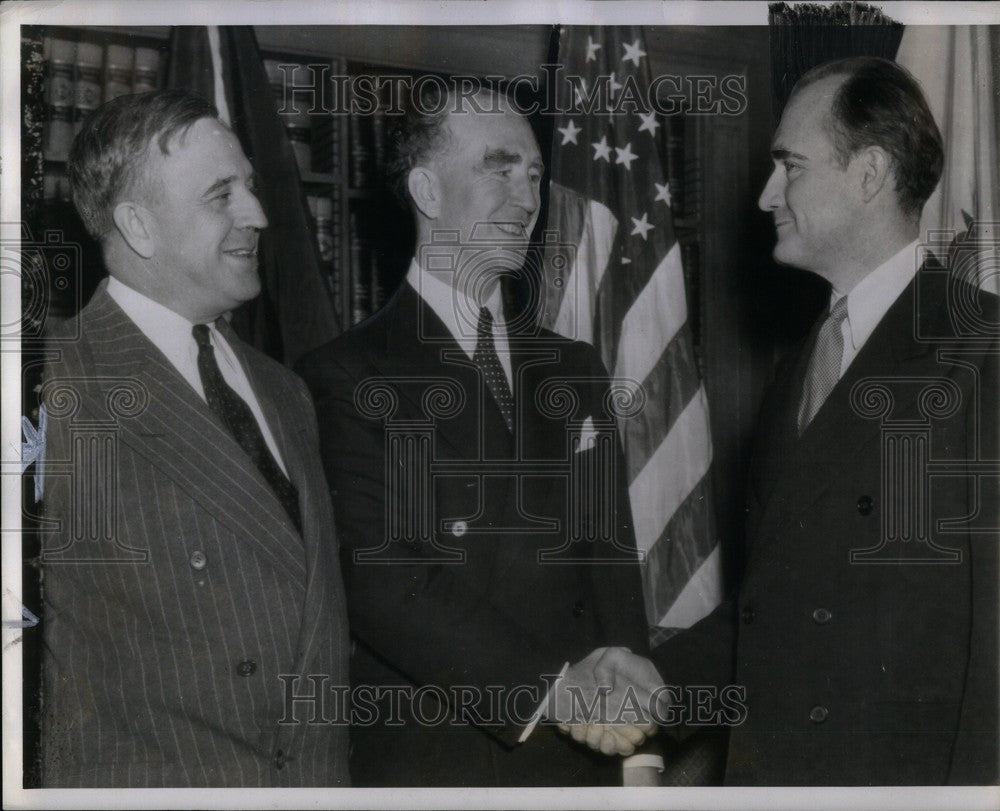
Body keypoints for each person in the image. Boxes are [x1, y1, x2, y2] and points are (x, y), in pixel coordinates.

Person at [571, 56, 999, 785]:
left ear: (867, 175)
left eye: (790, 166)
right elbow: (777, 608)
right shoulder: (800, 365)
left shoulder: (980, 348)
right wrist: (656, 679)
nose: (768, 194)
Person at [295, 86, 653, 786]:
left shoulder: (575, 367)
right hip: (440, 762)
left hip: (581, 761)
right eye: (499, 167)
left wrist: (640, 749)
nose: (526, 198)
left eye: (534, 176)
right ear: (426, 188)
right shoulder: (342, 374)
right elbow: (381, 578)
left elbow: (610, 572)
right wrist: (551, 687)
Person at [39, 89, 351, 787]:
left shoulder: (285, 391)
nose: (260, 216)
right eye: (222, 195)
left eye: (252, 187)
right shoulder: (46, 385)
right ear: (139, 227)